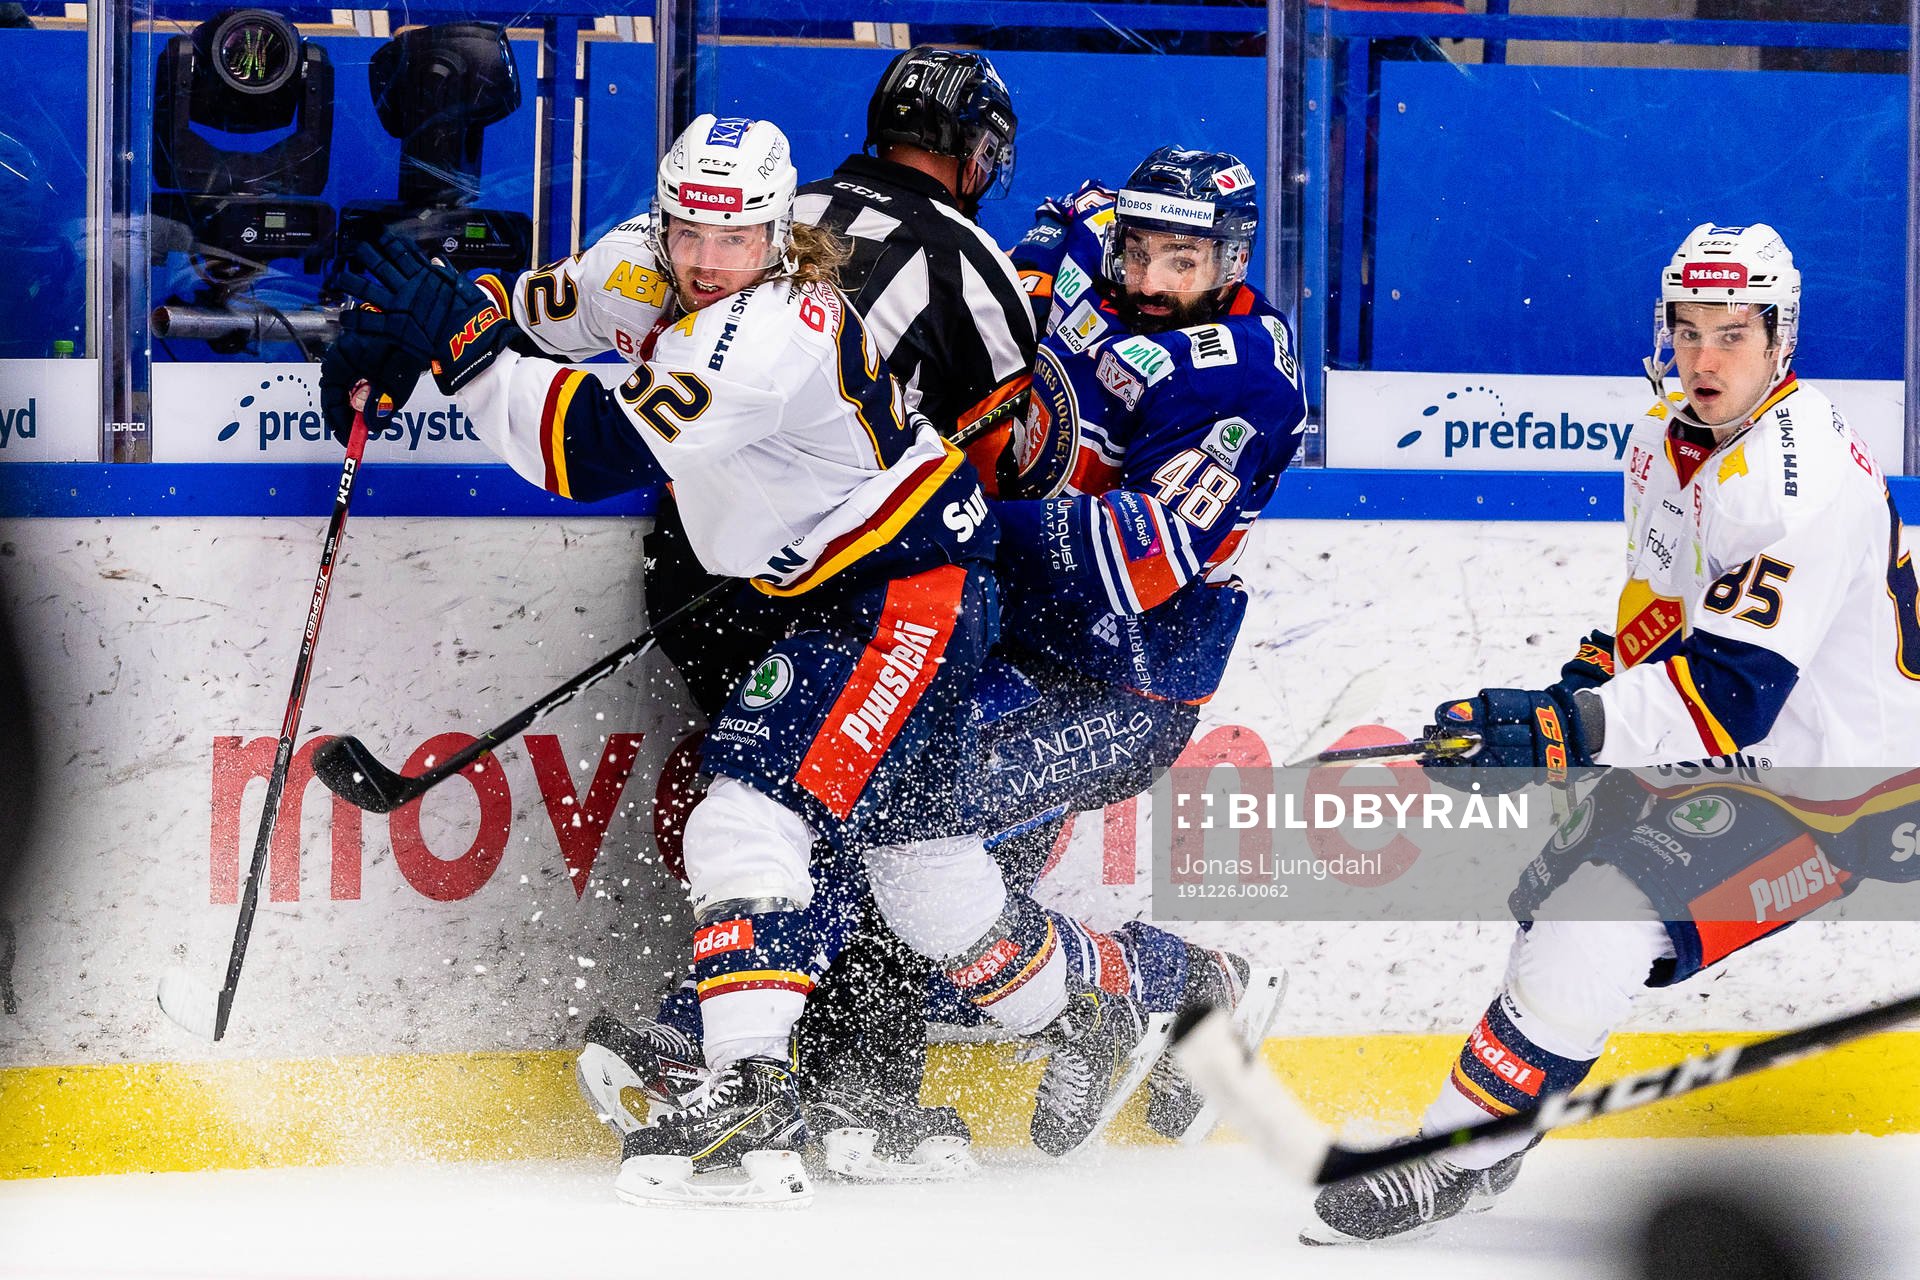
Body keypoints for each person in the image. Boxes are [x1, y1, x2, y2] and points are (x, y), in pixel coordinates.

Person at [320, 114, 1000, 1209]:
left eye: (734, 242)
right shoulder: (647, 258)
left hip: (907, 584)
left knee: (754, 819)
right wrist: (407, 334)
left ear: (779, 236)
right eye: (689, 231)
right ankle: (1098, 1004)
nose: (703, 261)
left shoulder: (775, 329)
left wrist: (459, 354)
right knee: (916, 874)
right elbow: (534, 313)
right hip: (817, 589)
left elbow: (587, 449)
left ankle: (751, 1086)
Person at [585, 144, 1308, 1169]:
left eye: (1182, 265)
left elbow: (1137, 557)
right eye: (1139, 250)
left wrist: (913, 516)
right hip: (999, 629)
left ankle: (723, 1040)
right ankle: (1156, 989)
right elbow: (1023, 267)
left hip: (1116, 680)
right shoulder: (1081, 252)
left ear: (1232, 261)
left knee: (866, 799)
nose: (1148, 281)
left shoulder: (1245, 385)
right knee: (898, 852)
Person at [1303, 222, 1920, 1244]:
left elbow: (1731, 690)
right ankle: (1495, 1138)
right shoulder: (1663, 438)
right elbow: (1662, 611)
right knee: (1554, 900)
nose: (1706, 356)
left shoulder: (1797, 482)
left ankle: (1452, 1156)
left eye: (1733, 333)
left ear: (1781, 339)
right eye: (1688, 330)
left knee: (1597, 919)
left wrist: (1558, 726)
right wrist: (1582, 685)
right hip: (1731, 749)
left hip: (1842, 786)